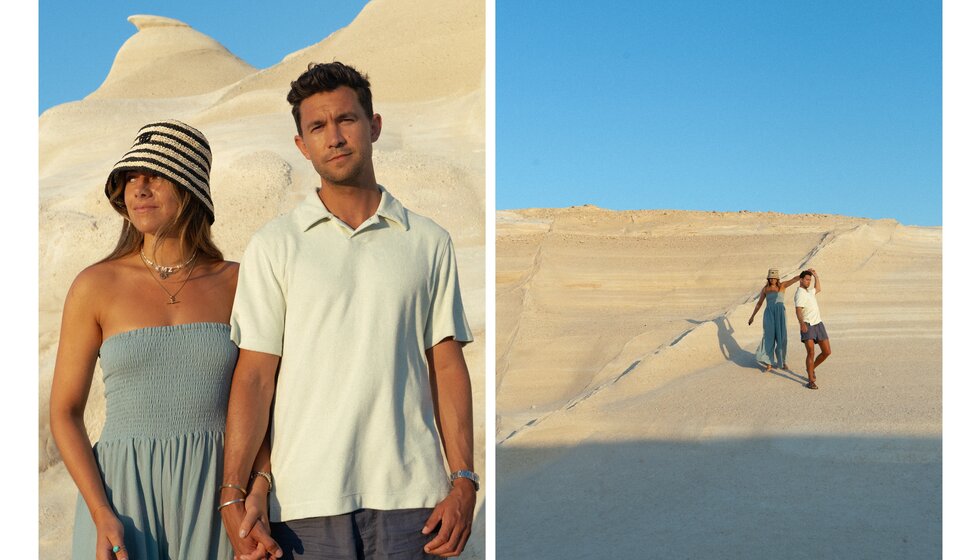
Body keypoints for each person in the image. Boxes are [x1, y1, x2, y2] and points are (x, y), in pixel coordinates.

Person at [220, 62, 478, 560]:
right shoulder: (274, 245)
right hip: (305, 504)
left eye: (347, 120)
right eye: (317, 127)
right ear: (301, 145)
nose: (334, 137)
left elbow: (446, 365)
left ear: (374, 125)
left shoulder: (428, 242)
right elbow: (253, 376)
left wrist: (464, 480)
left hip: (416, 501)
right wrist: (233, 491)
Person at [49, 120, 251, 559]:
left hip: (217, 494)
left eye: (155, 176)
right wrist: (100, 510)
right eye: (129, 179)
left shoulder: (238, 282)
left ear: (191, 185)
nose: (138, 189)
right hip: (123, 499)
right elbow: (64, 412)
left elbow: (262, 402)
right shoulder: (95, 285)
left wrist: (254, 494)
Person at [747, 268, 801, 371]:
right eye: (770, 278)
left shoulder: (782, 286)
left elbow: (794, 279)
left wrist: (803, 274)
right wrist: (752, 316)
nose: (772, 280)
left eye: (774, 278)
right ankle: (769, 363)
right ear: (768, 279)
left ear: (777, 279)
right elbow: (759, 303)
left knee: (782, 338)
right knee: (769, 337)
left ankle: (783, 361)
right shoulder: (765, 289)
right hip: (769, 314)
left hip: (780, 313)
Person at [794, 268, 831, 389]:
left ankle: (811, 368)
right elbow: (798, 310)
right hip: (808, 325)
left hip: (818, 324)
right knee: (811, 352)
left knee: (827, 352)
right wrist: (802, 323)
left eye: (810, 280)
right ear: (801, 280)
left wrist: (816, 276)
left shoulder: (809, 291)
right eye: (807, 279)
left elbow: (818, 289)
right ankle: (810, 381)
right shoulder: (799, 293)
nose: (808, 282)